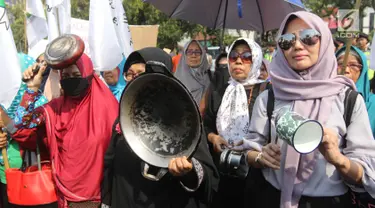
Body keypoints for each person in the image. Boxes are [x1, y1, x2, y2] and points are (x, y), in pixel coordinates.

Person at [241, 11, 375, 208]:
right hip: (273, 198)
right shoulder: (269, 97)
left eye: (308, 37)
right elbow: (249, 150)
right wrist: (261, 157)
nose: (297, 45)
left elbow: (367, 171)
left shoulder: (348, 100)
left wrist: (338, 159)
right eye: (287, 40)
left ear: (324, 41)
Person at [101, 47, 219, 208]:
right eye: (130, 74)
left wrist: (188, 172)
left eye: (140, 73)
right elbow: (109, 166)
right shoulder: (123, 119)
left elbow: (209, 182)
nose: (134, 79)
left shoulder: (186, 120)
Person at [8, 50, 119, 207]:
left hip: (98, 198)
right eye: (65, 77)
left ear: (88, 73)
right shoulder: (56, 108)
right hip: (62, 195)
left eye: (75, 74)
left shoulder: (110, 109)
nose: (70, 80)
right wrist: (31, 89)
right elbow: (21, 123)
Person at [203, 38, 267, 208]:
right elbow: (206, 124)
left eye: (246, 56)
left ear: (257, 60)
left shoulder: (266, 93)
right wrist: (213, 138)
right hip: (221, 169)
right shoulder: (219, 89)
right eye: (233, 56)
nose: (238, 61)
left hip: (254, 174)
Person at [0, 53, 48, 208]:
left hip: (30, 177)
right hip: (4, 176)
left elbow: (34, 138)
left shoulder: (41, 105)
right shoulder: (2, 102)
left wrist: (9, 124)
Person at [336, 46, 375, 138]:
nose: (346, 70)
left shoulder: (373, 104)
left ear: (362, 71)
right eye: (341, 64)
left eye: (353, 65)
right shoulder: (325, 100)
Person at [174, 40, 211, 108]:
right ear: (184, 55)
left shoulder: (211, 76)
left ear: (202, 54)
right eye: (189, 52)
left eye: (197, 52)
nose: (193, 55)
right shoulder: (176, 81)